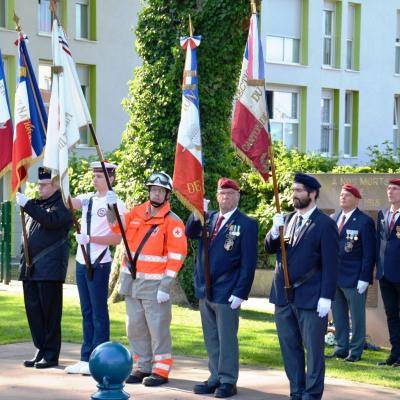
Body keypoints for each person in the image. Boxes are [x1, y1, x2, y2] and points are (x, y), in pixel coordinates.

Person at [106, 171, 187, 386]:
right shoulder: (136, 213)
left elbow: (177, 256)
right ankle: (142, 366)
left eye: (161, 191)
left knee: (157, 329)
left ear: (167, 194)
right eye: (154, 189)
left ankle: (160, 371)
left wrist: (165, 286)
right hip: (132, 283)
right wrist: (110, 207)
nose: (157, 194)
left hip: (155, 286)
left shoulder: (173, 222)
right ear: (149, 190)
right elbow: (115, 227)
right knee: (135, 327)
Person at [265, 172, 338, 400]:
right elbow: (269, 248)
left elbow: (331, 264)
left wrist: (326, 297)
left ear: (312, 194)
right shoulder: (286, 220)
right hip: (283, 296)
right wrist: (274, 232)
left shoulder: (325, 224)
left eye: (298, 191)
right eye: (293, 190)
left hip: (311, 296)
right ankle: (296, 390)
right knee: (289, 348)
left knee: (314, 351)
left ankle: (312, 393)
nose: (293, 195)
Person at [186, 177, 258, 399]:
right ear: (216, 196)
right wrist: (197, 212)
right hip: (206, 289)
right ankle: (215, 376)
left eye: (230, 194)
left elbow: (248, 262)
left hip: (228, 289)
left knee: (227, 338)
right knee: (211, 337)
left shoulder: (246, 224)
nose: (225, 197)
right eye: (222, 193)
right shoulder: (208, 218)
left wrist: (240, 292)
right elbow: (190, 232)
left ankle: (228, 380)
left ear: (237, 197)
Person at [65, 161, 125, 375]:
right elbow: (69, 203)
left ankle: (99, 356)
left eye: (100, 176)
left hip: (99, 261)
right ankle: (85, 356)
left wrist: (91, 238)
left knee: (99, 311)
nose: (95, 179)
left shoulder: (115, 202)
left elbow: (117, 237)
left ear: (111, 178)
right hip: (83, 260)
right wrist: (61, 179)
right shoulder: (88, 199)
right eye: (94, 175)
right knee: (86, 310)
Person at [15, 167, 73, 369]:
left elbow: (50, 221)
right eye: (39, 184)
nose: (39, 187)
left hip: (49, 269)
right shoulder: (38, 205)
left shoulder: (63, 205)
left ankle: (51, 354)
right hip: (31, 269)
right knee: (34, 313)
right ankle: (40, 348)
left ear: (56, 185)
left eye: (44, 184)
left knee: (50, 313)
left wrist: (28, 205)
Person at [328, 184, 375, 362]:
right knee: (338, 315)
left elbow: (369, 253)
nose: (342, 198)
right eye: (341, 195)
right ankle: (341, 348)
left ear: (356, 199)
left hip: (355, 278)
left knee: (357, 317)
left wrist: (365, 277)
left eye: (347, 195)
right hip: (335, 277)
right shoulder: (333, 218)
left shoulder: (364, 221)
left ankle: (355, 351)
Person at [376, 178, 400, 368]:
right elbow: (380, 243)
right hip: (385, 274)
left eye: (394, 189)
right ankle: (395, 353)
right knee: (391, 314)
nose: (390, 192)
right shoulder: (382, 214)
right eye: (389, 189)